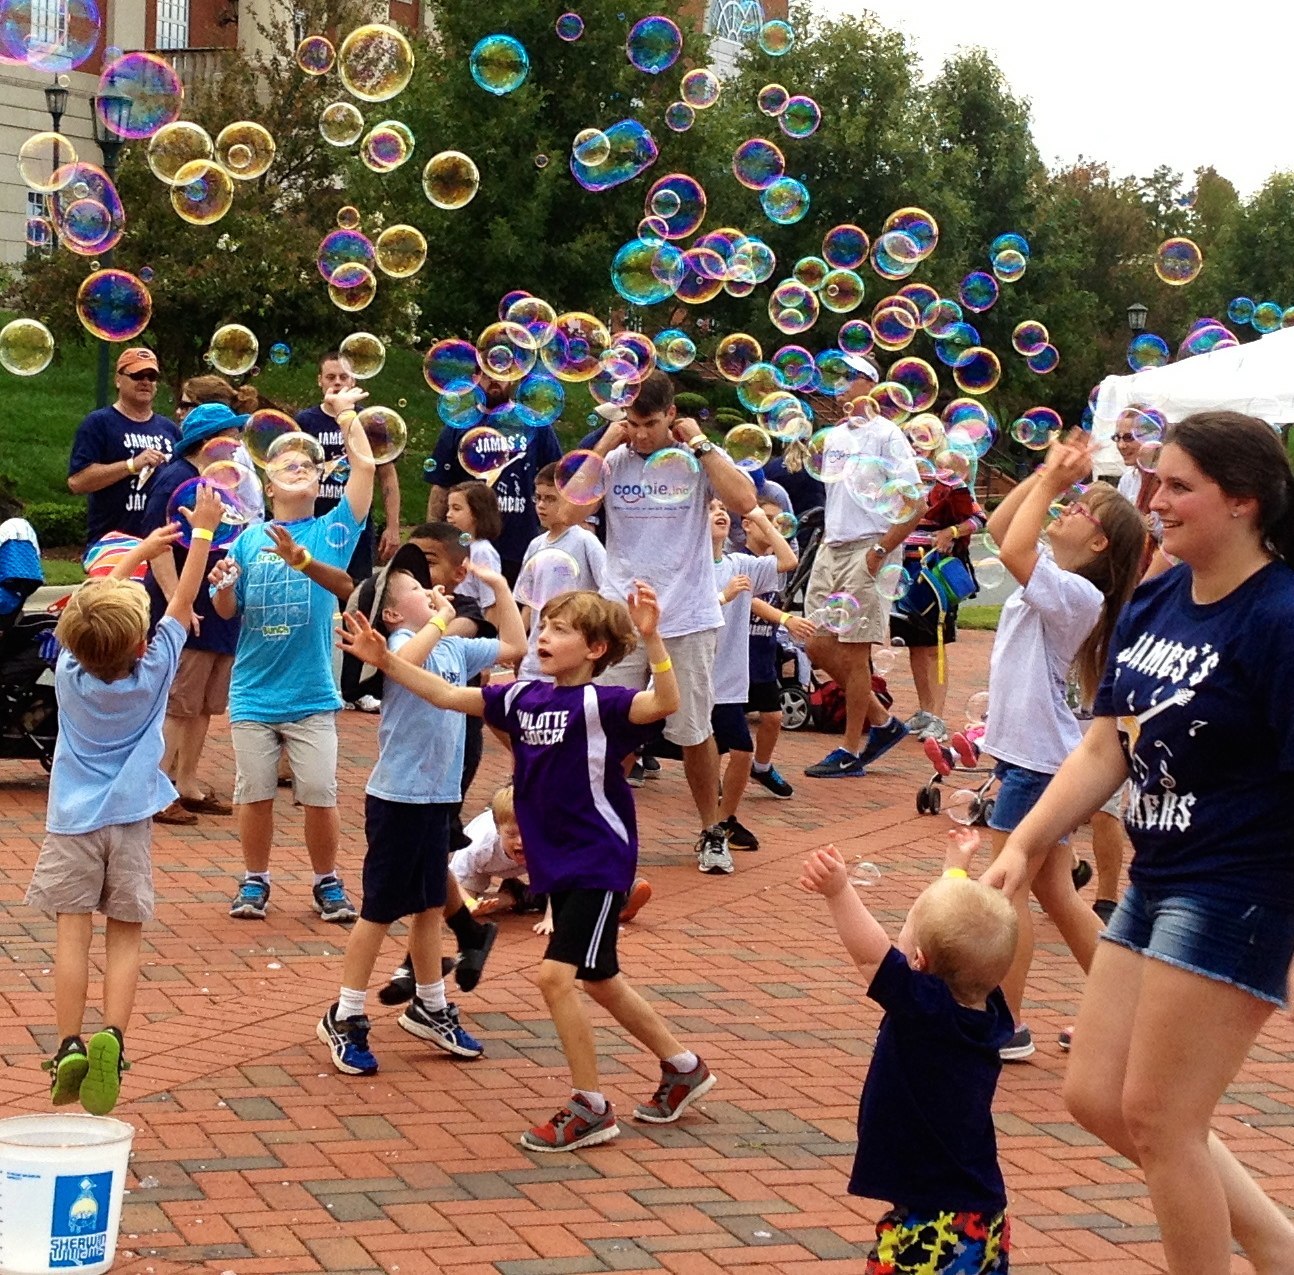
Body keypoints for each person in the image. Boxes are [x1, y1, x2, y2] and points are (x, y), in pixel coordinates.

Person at [986, 412, 1294, 1274]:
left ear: (1243, 501)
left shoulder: (1279, 617)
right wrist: (1025, 844)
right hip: (1158, 875)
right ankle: (1276, 1246)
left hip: (1238, 887)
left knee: (1162, 1116)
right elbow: (1105, 746)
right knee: (1095, 1095)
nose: (1153, 500)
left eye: (1178, 485)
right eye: (1155, 481)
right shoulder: (1156, 599)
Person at [338, 585, 718, 1152]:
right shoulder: (521, 698)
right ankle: (683, 1067)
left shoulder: (603, 703)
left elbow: (665, 701)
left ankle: (589, 1106)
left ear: (593, 648)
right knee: (600, 978)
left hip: (599, 859)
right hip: (556, 864)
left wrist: (653, 638)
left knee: (553, 977)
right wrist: (385, 660)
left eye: (560, 629)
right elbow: (444, 694)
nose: (543, 635)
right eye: (543, 626)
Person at [28, 486, 226, 1115]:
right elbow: (185, 599)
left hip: (70, 826)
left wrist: (134, 552)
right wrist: (200, 535)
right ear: (143, 642)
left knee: (70, 933)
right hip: (132, 824)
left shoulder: (69, 672)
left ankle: (67, 1045)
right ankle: (113, 1033)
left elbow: (90, 614)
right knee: (125, 934)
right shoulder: (156, 666)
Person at [316, 543, 525, 1075]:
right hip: (398, 799)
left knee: (432, 905)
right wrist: (444, 619)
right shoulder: (408, 640)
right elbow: (398, 662)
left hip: (437, 798)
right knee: (380, 910)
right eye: (414, 587)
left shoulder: (453, 648)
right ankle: (346, 1014)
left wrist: (499, 589)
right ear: (392, 613)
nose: (429, 588)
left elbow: (515, 646)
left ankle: (430, 1005)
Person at [978, 434, 1145, 1061]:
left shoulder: (1081, 595)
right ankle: (1126, 1015)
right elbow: (1002, 526)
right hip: (1039, 759)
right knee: (1055, 893)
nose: (1066, 510)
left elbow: (1011, 544)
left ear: (1100, 544)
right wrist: (1047, 474)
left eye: (1082, 510)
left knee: (1008, 891)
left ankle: (1007, 1024)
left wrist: (1050, 482)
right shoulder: (1056, 581)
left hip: (1037, 764)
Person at [800, 831, 1017, 1274]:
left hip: (933, 1225)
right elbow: (951, 941)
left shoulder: (926, 1011)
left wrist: (839, 892)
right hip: (982, 1216)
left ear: (918, 963)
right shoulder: (989, 1011)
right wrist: (954, 871)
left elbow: (869, 956)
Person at [210, 392, 375, 922]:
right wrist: (221, 588)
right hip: (254, 689)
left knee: (320, 793)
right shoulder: (246, 539)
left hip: (310, 692)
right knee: (253, 792)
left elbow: (366, 470)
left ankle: (327, 881)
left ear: (318, 479)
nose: (297, 470)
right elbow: (229, 607)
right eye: (286, 465)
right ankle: (254, 880)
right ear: (269, 483)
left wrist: (345, 413)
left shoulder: (331, 529)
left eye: (307, 464)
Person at [590, 370, 757, 875]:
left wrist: (702, 444)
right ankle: (600, 828)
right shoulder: (613, 460)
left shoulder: (694, 460)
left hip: (685, 614)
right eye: (632, 423)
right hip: (621, 615)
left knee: (692, 730)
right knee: (610, 724)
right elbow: (573, 510)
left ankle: (711, 829)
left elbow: (745, 500)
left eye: (649, 423)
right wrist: (604, 442)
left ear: (671, 418)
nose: (639, 434)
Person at [802, 363, 925, 779]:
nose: (837, 385)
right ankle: (883, 722)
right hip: (832, 545)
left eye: (846, 377)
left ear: (870, 384)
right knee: (814, 642)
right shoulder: (835, 435)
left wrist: (880, 550)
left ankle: (850, 749)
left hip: (867, 545)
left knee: (856, 652)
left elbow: (914, 502)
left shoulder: (887, 435)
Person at [139, 402, 249, 826]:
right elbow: (159, 544)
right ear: (211, 441)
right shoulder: (177, 478)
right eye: (233, 437)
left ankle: (187, 783)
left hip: (216, 602)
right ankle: (158, 786)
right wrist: (176, 606)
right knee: (180, 701)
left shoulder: (216, 482)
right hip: (189, 606)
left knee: (204, 702)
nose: (239, 445)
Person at [707, 499, 798, 857]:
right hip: (693, 678)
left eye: (721, 508)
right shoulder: (689, 567)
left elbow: (788, 561)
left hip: (728, 681)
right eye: (709, 508)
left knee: (741, 750)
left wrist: (759, 516)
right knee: (635, 745)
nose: (718, 512)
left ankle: (722, 821)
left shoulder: (740, 563)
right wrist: (723, 596)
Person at [424, 376, 563, 584]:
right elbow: (441, 485)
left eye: (501, 373)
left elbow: (557, 478)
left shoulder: (534, 424)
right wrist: (433, 539)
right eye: (488, 374)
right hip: (468, 545)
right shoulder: (459, 425)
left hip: (521, 541)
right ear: (475, 378)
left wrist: (552, 531)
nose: (495, 381)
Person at [891, 477, 987, 743]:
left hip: (933, 571)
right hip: (903, 572)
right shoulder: (902, 479)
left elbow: (979, 519)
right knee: (915, 644)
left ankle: (938, 717)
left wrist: (951, 533)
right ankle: (925, 710)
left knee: (935, 646)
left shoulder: (948, 483)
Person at [296, 351, 401, 579]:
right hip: (313, 521)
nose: (337, 382)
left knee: (355, 593)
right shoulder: (304, 421)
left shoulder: (369, 421)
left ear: (353, 380)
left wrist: (393, 527)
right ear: (320, 380)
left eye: (343, 377)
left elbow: (387, 475)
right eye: (330, 377)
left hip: (357, 524)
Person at [67, 347, 179, 549]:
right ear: (118, 379)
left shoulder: (169, 429)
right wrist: (131, 465)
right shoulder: (99, 423)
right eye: (137, 375)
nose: (145, 381)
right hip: (112, 543)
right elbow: (77, 482)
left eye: (151, 376)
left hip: (161, 544)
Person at [742, 498, 815, 800]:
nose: (773, 527)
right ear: (746, 524)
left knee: (773, 718)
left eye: (777, 522)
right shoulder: (737, 559)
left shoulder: (775, 566)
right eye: (766, 520)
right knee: (724, 728)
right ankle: (715, 774)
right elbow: (748, 598)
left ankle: (761, 766)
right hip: (735, 658)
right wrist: (785, 618)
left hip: (761, 656)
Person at [517, 462, 606, 680]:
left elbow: (607, 590)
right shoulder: (535, 546)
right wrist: (518, 644)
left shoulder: (585, 541)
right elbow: (528, 604)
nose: (541, 506)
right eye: (538, 498)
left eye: (550, 498)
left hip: (571, 657)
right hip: (535, 658)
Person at [445, 481, 503, 615]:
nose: (448, 514)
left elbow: (491, 603)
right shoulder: (454, 548)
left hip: (473, 624)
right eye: (449, 508)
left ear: (477, 513)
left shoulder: (483, 551)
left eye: (456, 508)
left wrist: (487, 634)